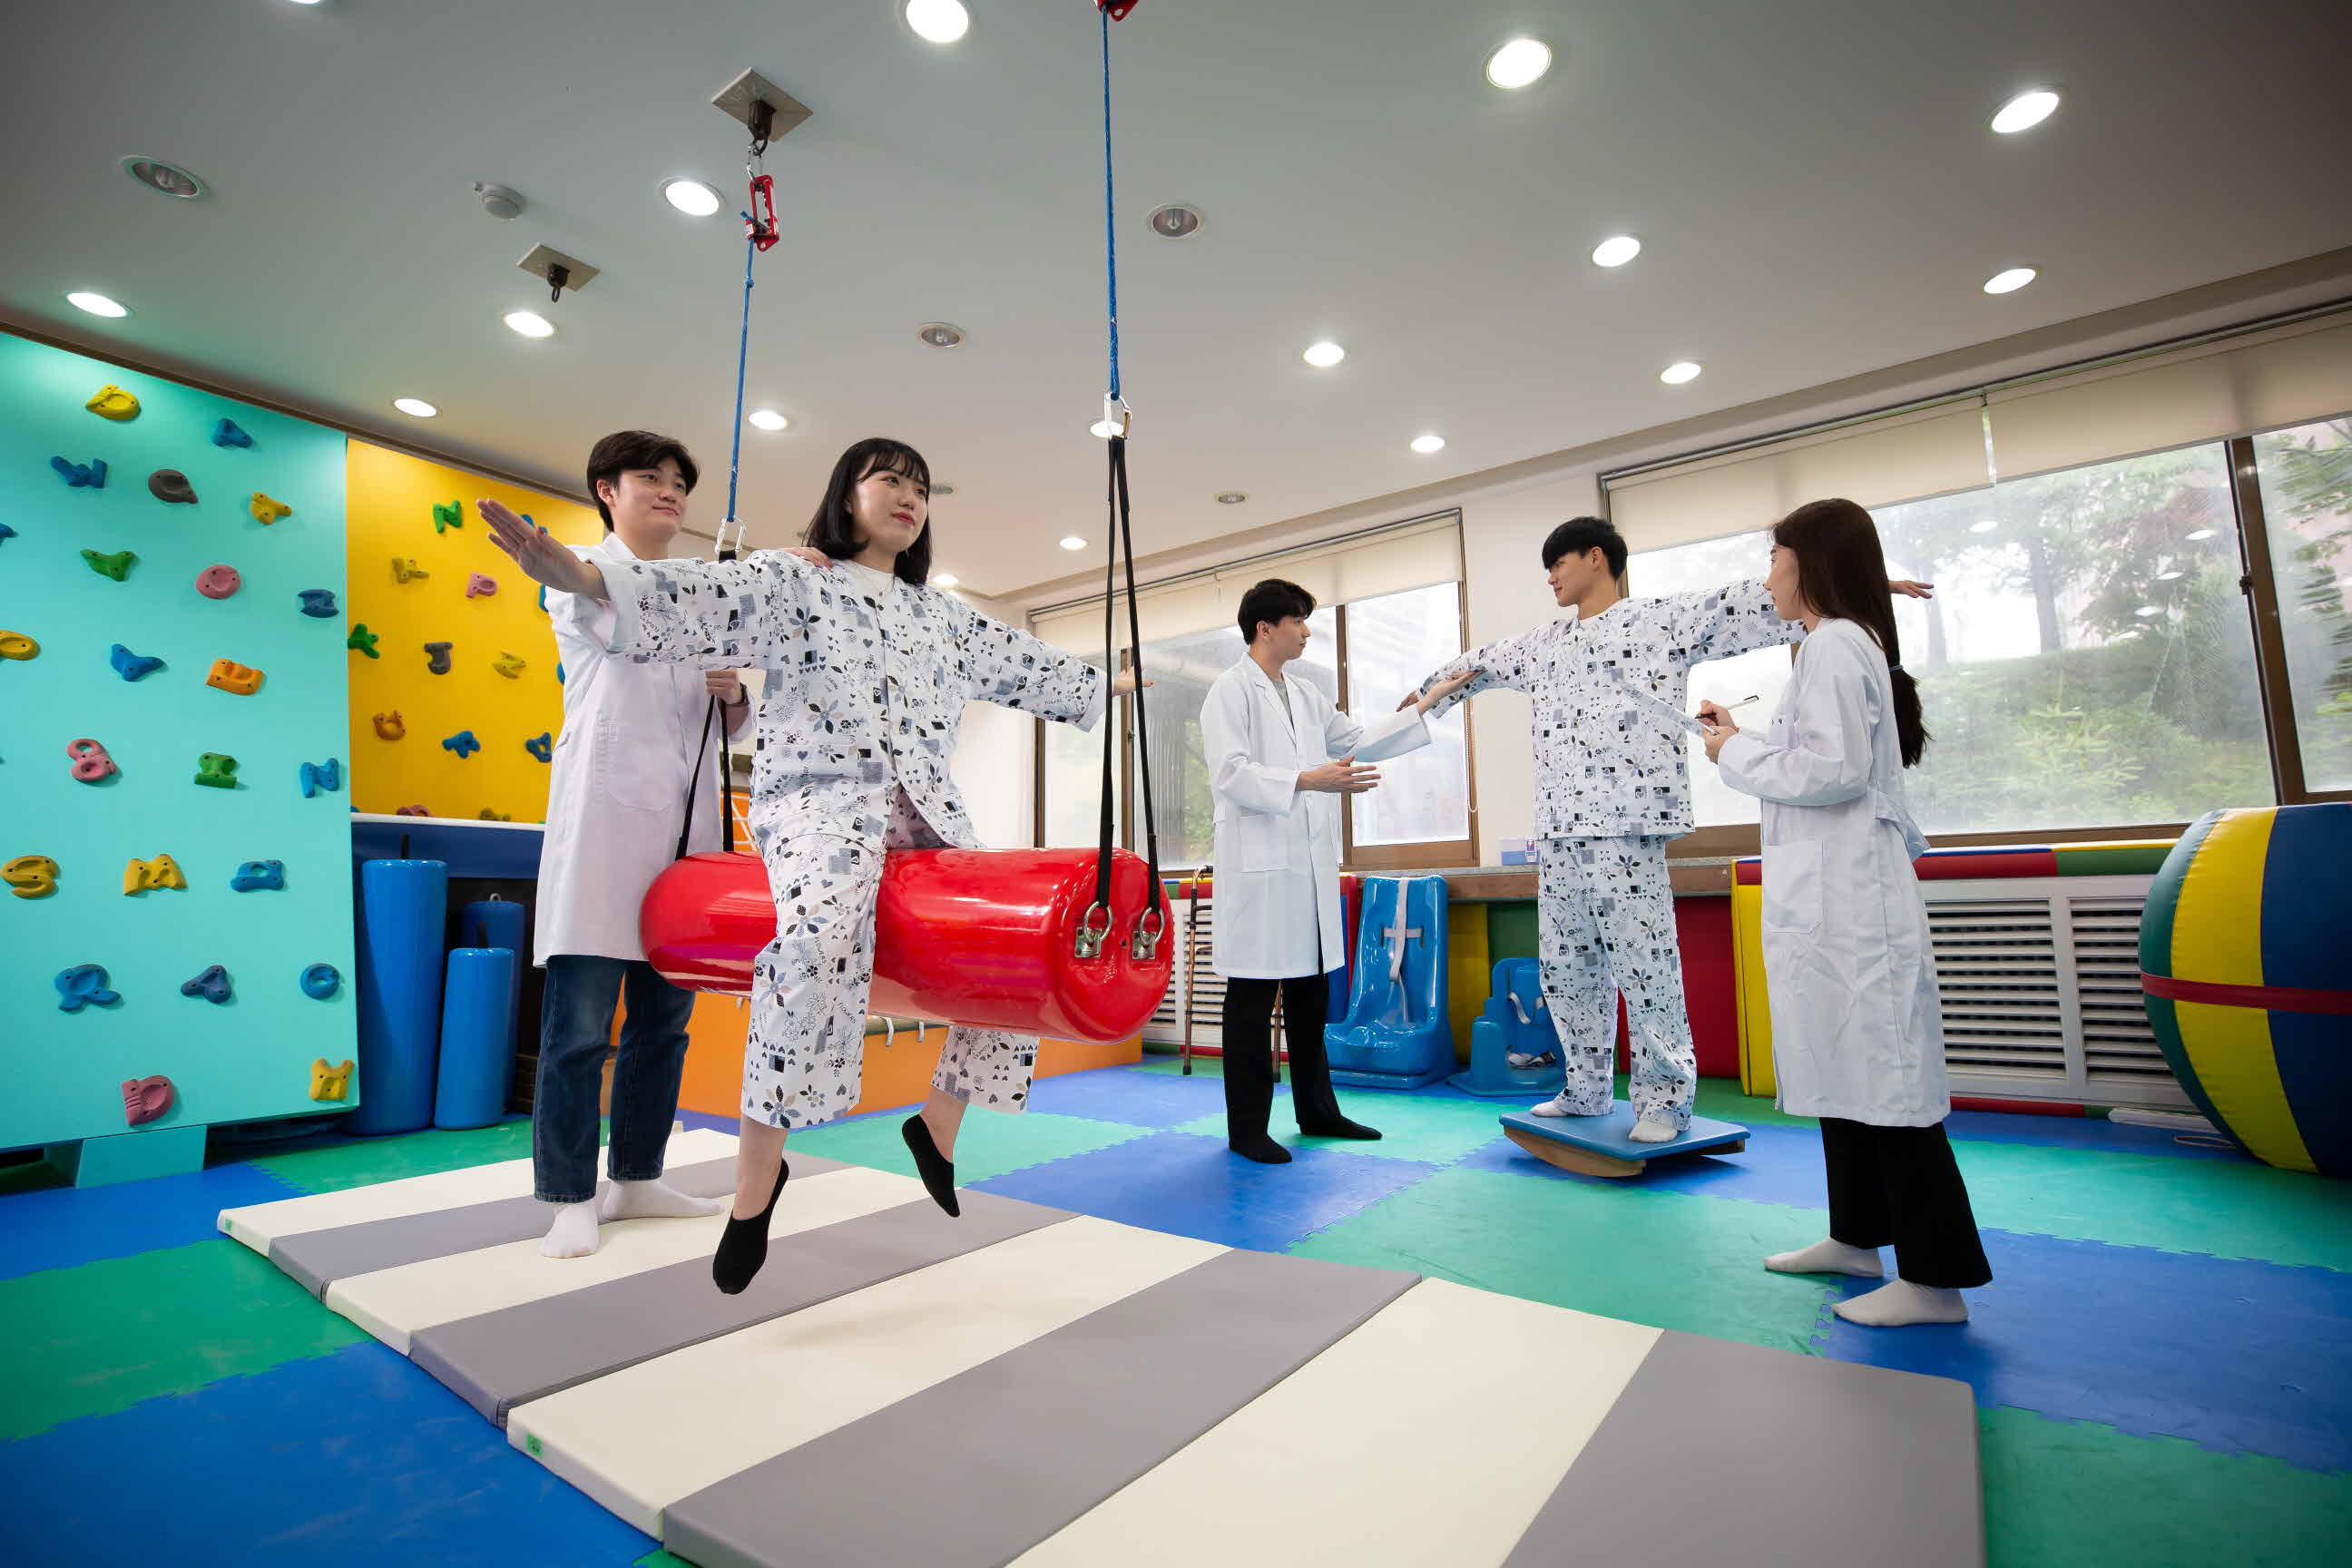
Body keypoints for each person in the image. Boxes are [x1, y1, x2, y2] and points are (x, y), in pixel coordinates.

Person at [479, 436, 1139, 1294]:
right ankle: (757, 1185)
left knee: (1014, 937)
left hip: (925, 808)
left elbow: (1030, 664)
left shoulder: (939, 615)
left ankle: (939, 1125)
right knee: (816, 938)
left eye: (920, 487)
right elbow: (696, 593)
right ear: (846, 496)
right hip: (819, 805)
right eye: (889, 480)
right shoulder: (795, 580)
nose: (908, 497)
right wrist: (582, 576)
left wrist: (1110, 682)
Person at [1411, 517, 1929, 1142]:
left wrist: (1868, 586)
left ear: (1596, 557)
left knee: (1645, 970)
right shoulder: (1542, 644)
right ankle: (1585, 1089)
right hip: (1558, 829)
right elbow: (1476, 666)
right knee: (1565, 970)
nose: (1550, 578)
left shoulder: (1660, 621)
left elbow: (1752, 604)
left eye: (1558, 564)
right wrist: (1423, 697)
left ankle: (1664, 1100)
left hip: (1628, 826)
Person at [1701, 497, 1988, 1326]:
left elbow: (1834, 771)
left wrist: (1732, 750)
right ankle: (1857, 1237)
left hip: (1855, 899)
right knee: (1842, 1069)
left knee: (1888, 1082)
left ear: (1810, 564)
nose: (1767, 579)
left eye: (1774, 560)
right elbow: (1820, 758)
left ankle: (1935, 1282)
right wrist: (1742, 741)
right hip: (1828, 894)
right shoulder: (1829, 645)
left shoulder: (1834, 643)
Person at [526, 431, 751, 1259]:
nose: (669, 491)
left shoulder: (701, 592)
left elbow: (727, 726)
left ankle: (638, 1175)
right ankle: (567, 1195)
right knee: (580, 1031)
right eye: (649, 477)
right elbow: (620, 621)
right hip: (602, 829)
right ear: (606, 491)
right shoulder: (580, 574)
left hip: (682, 839)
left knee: (665, 1025)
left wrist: (733, 695)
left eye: (679, 483)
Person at [1199, 579, 1477, 1163]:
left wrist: (1428, 704)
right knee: (1251, 1002)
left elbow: (1359, 740)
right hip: (1259, 874)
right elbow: (1229, 773)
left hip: (1307, 873)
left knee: (1310, 997)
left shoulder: (1305, 693)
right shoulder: (1230, 691)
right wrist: (1307, 779)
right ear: (1265, 628)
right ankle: (1246, 1129)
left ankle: (1318, 1111)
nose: (1306, 631)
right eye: (1298, 620)